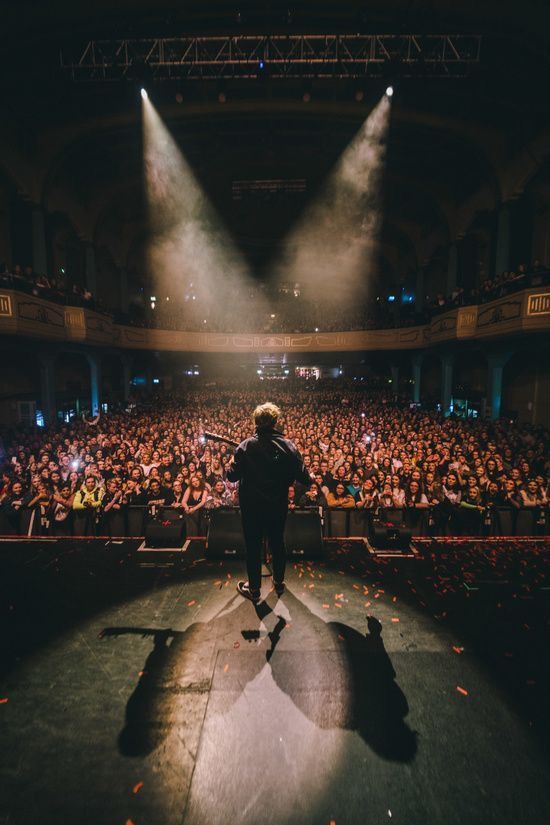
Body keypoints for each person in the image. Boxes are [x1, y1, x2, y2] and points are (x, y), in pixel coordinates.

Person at [227, 401, 311, 603]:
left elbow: (231, 477)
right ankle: (279, 582)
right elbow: (305, 479)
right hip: (277, 505)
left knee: (253, 546)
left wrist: (231, 463)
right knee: (277, 543)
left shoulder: (246, 446)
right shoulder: (289, 446)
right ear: (275, 422)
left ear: (255, 422)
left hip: (252, 507)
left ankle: (254, 590)